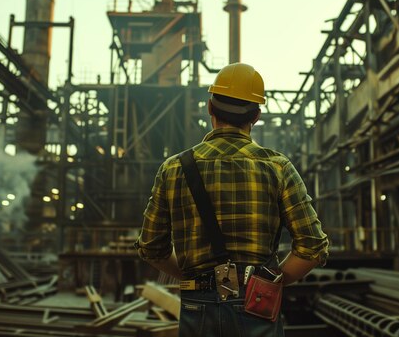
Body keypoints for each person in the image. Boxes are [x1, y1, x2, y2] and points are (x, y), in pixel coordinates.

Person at [135, 63, 329, 336]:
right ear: (257, 116)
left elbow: (151, 247)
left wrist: (197, 277)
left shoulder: (174, 168)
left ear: (210, 108)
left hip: (197, 305)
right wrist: (267, 284)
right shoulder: (277, 167)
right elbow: (313, 247)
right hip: (257, 304)